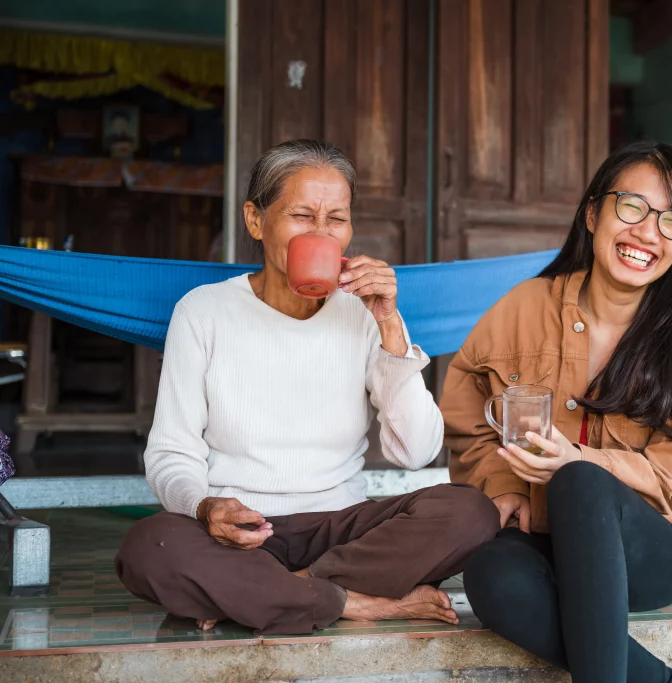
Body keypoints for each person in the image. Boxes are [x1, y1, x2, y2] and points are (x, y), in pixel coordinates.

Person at [116, 139, 499, 636]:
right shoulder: (203, 311)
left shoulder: (364, 315)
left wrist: (390, 327)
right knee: (149, 547)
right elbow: (171, 453)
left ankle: (280, 594)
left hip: (341, 529)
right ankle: (352, 602)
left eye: (336, 219)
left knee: (469, 511)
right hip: (241, 533)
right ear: (255, 220)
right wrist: (207, 508)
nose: (322, 234)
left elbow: (417, 452)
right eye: (302, 215)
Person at [441, 140, 672, 683]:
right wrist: (501, 483)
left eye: (671, 221)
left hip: (643, 552)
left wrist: (580, 460)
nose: (647, 233)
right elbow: (463, 410)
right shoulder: (526, 305)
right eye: (631, 207)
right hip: (538, 536)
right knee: (489, 577)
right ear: (593, 213)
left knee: (579, 479)